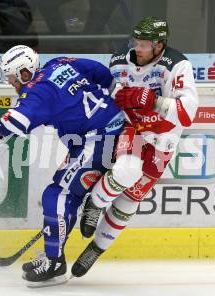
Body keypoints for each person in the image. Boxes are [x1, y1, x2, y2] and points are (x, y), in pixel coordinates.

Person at [0, 45, 125, 287]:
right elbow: (100, 72)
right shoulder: (60, 63)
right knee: (66, 195)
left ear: (25, 73)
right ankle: (55, 252)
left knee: (58, 195)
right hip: (102, 133)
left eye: (12, 78)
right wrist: (115, 97)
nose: (12, 83)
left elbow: (16, 122)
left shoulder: (38, 91)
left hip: (98, 139)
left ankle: (54, 263)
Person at [71, 16, 199, 277]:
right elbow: (111, 98)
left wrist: (153, 101)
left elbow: (187, 113)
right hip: (133, 130)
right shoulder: (119, 62)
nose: (137, 48)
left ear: (159, 45)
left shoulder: (177, 64)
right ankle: (95, 205)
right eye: (135, 42)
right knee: (126, 170)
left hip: (164, 138)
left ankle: (96, 249)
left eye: (144, 44)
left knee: (131, 198)